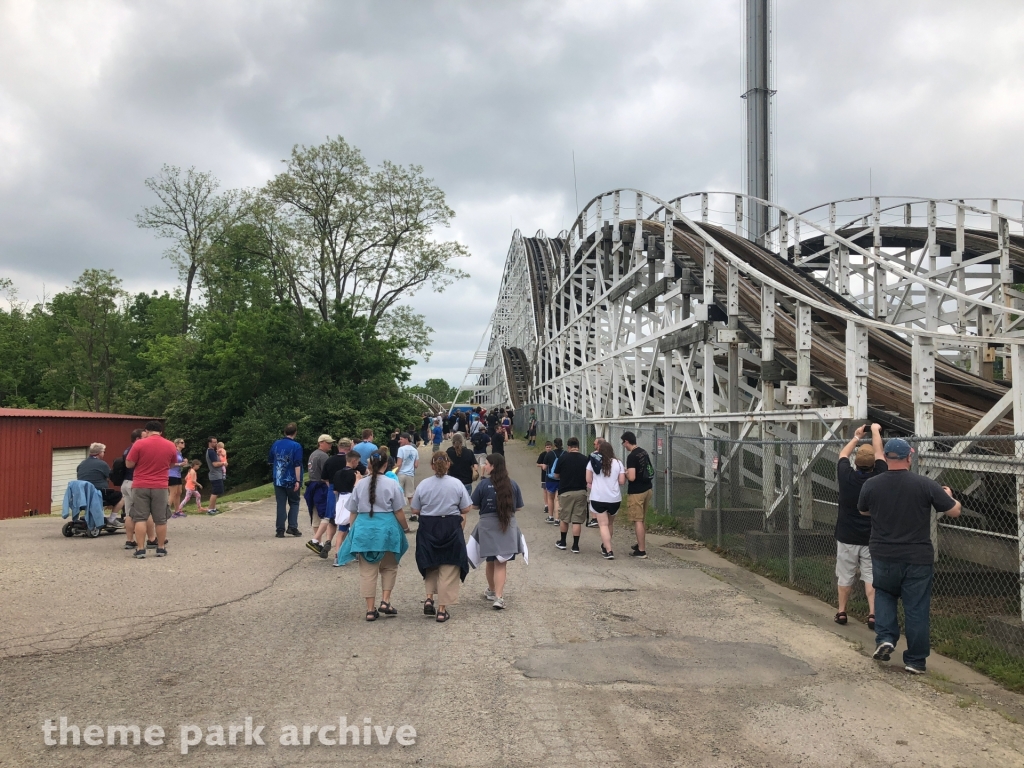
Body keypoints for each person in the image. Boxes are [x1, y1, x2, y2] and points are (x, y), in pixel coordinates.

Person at [859, 438, 961, 675]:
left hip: (883, 553)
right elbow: (954, 511)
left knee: (884, 594)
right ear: (909, 457)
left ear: (884, 457)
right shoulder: (925, 484)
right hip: (917, 557)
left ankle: (885, 638)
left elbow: (864, 509)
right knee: (916, 608)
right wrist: (949, 495)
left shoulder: (872, 485)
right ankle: (915, 660)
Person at [335, 452, 411, 620]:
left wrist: (353, 530)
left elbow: (353, 511)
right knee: (389, 566)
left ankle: (370, 610)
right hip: (387, 529)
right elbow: (398, 510)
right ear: (386, 465)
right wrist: (405, 528)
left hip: (364, 527)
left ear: (368, 465)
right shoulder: (392, 484)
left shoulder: (360, 485)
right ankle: (385, 600)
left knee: (367, 572)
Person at [410, 452, 472, 623]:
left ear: (431, 465)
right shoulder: (457, 484)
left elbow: (414, 509)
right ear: (448, 464)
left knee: (431, 563)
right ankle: (442, 609)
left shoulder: (423, 484)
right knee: (449, 566)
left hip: (428, 527)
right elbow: (466, 508)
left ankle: (429, 597)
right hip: (450, 526)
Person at [835, 423, 885, 628]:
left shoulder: (846, 477)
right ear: (873, 464)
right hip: (871, 536)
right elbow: (880, 452)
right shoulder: (879, 477)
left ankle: (842, 611)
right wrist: (875, 431)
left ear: (856, 463)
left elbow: (842, 456)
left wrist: (856, 437)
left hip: (847, 535)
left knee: (845, 574)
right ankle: (872, 614)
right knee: (871, 575)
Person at [470, 453, 526, 609]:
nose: (484, 466)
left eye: (486, 463)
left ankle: (492, 590)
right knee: (501, 562)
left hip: (487, 526)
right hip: (507, 524)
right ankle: (499, 597)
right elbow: (519, 507)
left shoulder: (483, 485)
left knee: (490, 559)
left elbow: (473, 505)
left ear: (493, 466)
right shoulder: (512, 484)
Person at [124, 421, 178, 559]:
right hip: (160, 485)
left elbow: (129, 464)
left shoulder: (139, 444)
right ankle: (160, 548)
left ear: (147, 431)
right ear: (161, 431)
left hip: (140, 484)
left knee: (140, 517)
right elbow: (172, 464)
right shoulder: (170, 445)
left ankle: (141, 549)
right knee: (160, 519)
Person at [587, 441, 626, 559]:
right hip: (614, 499)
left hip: (598, 497)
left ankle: (609, 550)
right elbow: (622, 481)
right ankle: (605, 546)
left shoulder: (593, 462)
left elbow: (588, 479)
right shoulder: (618, 463)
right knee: (609, 523)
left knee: (603, 525)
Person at [121, 428, 156, 551]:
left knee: (129, 513)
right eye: (145, 437)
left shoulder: (127, 450)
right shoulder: (138, 449)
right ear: (137, 439)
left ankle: (130, 540)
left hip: (126, 482)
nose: (147, 439)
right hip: (135, 483)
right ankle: (152, 539)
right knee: (145, 512)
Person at [553, 437, 590, 554]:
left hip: (565, 492)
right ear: (578, 446)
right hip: (581, 491)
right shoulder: (585, 459)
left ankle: (563, 542)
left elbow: (556, 475)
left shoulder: (563, 458)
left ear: (568, 447)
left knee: (564, 518)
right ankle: (575, 545)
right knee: (577, 520)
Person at [621, 431, 653, 559]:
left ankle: (641, 550)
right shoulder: (643, 452)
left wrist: (625, 472)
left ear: (627, 442)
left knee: (637, 520)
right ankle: (640, 543)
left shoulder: (632, 456)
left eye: (623, 443)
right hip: (647, 489)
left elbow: (632, 477)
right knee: (642, 519)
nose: (623, 445)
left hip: (637, 492)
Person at [269, 423, 304, 538]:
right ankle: (292, 526)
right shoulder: (296, 446)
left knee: (281, 503)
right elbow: (297, 464)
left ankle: (280, 530)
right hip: (291, 479)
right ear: (295, 432)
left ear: (285, 432)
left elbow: (270, 460)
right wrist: (298, 481)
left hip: (278, 479)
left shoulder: (276, 444)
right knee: (294, 502)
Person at [331, 451, 364, 563]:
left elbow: (335, 490)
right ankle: (354, 552)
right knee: (353, 528)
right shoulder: (355, 474)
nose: (358, 464)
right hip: (351, 499)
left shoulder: (337, 473)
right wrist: (359, 479)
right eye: (358, 462)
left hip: (341, 500)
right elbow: (357, 489)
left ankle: (337, 555)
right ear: (354, 461)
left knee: (341, 530)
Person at [76, 443, 123, 520]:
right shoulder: (102, 464)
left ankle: (99, 515)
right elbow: (111, 477)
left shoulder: (82, 464)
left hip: (83, 494)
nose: (104, 453)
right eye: (104, 452)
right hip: (98, 493)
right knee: (121, 497)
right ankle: (112, 519)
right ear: (100, 453)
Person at [305, 434, 334, 538]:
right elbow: (326, 474)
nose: (330, 445)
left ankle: (319, 541)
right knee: (325, 515)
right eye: (328, 442)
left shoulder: (313, 454)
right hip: (321, 487)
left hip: (312, 486)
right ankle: (319, 540)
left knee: (315, 514)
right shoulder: (323, 456)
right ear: (321, 443)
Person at [395, 432, 419, 520]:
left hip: (401, 474)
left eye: (401, 439)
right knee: (410, 495)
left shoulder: (401, 449)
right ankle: (414, 514)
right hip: (410, 474)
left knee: (398, 494)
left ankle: (398, 513)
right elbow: (416, 465)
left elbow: (399, 463)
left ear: (406, 439)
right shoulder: (415, 450)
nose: (399, 441)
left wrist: (394, 472)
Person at [541, 438, 563, 524]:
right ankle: (557, 519)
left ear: (554, 445)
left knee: (550, 498)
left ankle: (551, 517)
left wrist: (543, 466)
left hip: (550, 479)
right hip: (561, 479)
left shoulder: (549, 454)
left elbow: (545, 467)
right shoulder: (565, 454)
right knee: (558, 499)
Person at [205, 436, 225, 516]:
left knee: (216, 492)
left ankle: (213, 508)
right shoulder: (211, 452)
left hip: (217, 474)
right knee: (215, 492)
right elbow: (215, 464)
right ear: (210, 443)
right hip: (215, 475)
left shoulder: (213, 451)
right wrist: (223, 463)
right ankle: (210, 509)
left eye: (216, 442)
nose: (216, 443)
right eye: (214, 442)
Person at [167, 438, 188, 515]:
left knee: (179, 492)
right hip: (171, 474)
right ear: (176, 444)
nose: (183, 443)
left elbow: (180, 462)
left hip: (178, 474)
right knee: (173, 493)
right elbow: (169, 463)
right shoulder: (174, 452)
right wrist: (179, 464)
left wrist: (184, 462)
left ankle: (177, 510)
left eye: (183, 442)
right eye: (182, 442)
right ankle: (166, 511)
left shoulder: (179, 453)